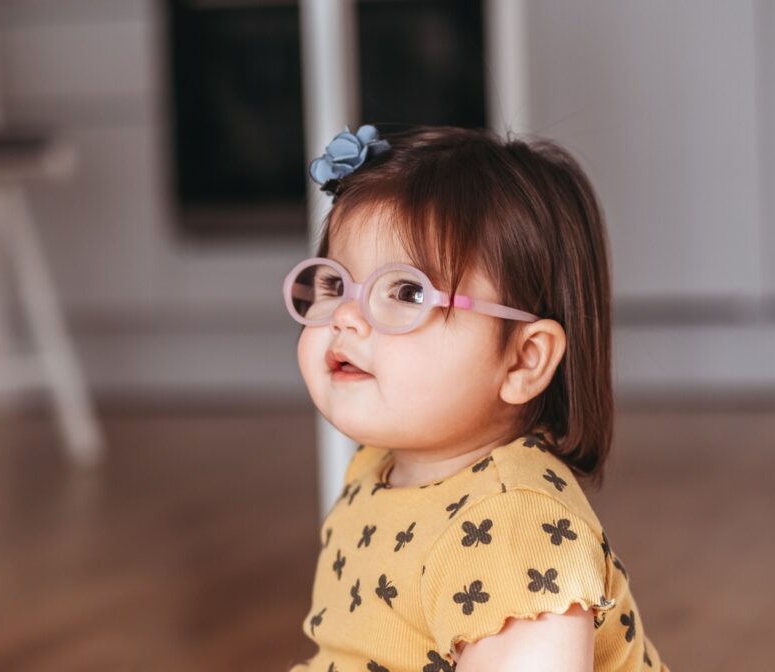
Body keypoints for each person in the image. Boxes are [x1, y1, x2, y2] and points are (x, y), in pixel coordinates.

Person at [283, 124, 668, 671]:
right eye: (335, 285)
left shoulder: (517, 531)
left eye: (407, 292)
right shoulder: (377, 467)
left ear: (522, 359)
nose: (345, 316)